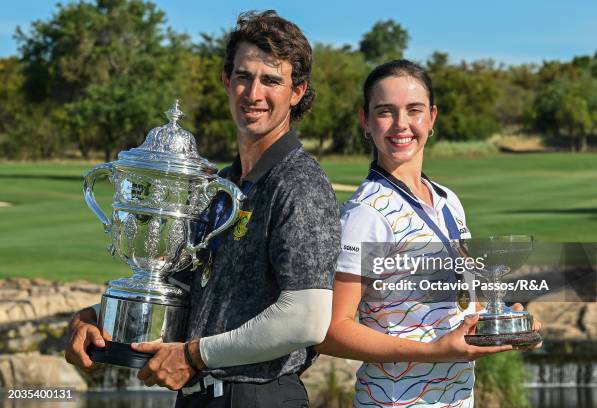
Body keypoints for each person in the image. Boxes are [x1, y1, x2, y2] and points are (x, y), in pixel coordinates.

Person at [65, 10, 341, 407]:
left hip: (256, 396)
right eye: (244, 77)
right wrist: (96, 316)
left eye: (271, 80)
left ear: (296, 92)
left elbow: (306, 318)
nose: (253, 93)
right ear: (226, 81)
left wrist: (193, 355)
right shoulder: (221, 185)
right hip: (200, 395)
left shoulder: (299, 183)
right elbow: (179, 286)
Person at [315, 59, 540, 407]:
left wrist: (507, 321)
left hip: (457, 399)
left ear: (432, 117)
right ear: (365, 120)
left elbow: (463, 303)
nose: (401, 124)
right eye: (385, 111)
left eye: (414, 110)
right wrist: (433, 351)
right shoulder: (368, 214)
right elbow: (331, 331)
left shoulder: (449, 201)